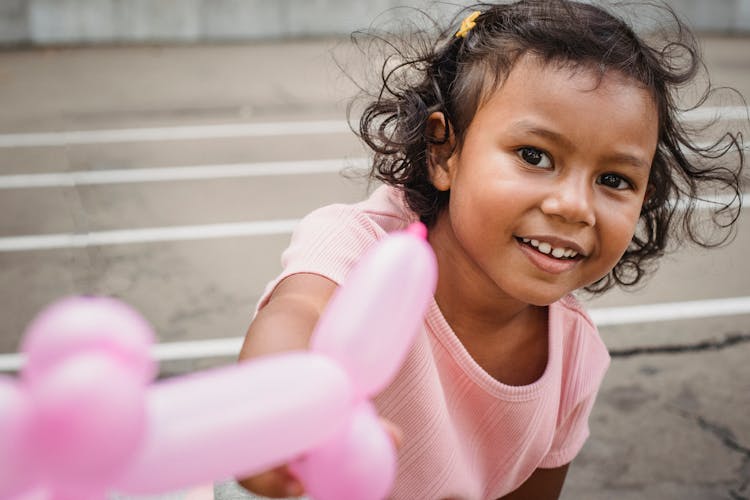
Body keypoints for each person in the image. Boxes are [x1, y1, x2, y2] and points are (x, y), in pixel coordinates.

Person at [237, 1, 745, 498]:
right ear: (444, 151)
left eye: (614, 179)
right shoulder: (363, 244)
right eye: (534, 155)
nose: (574, 207)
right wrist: (276, 417)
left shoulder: (573, 358)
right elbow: (296, 311)